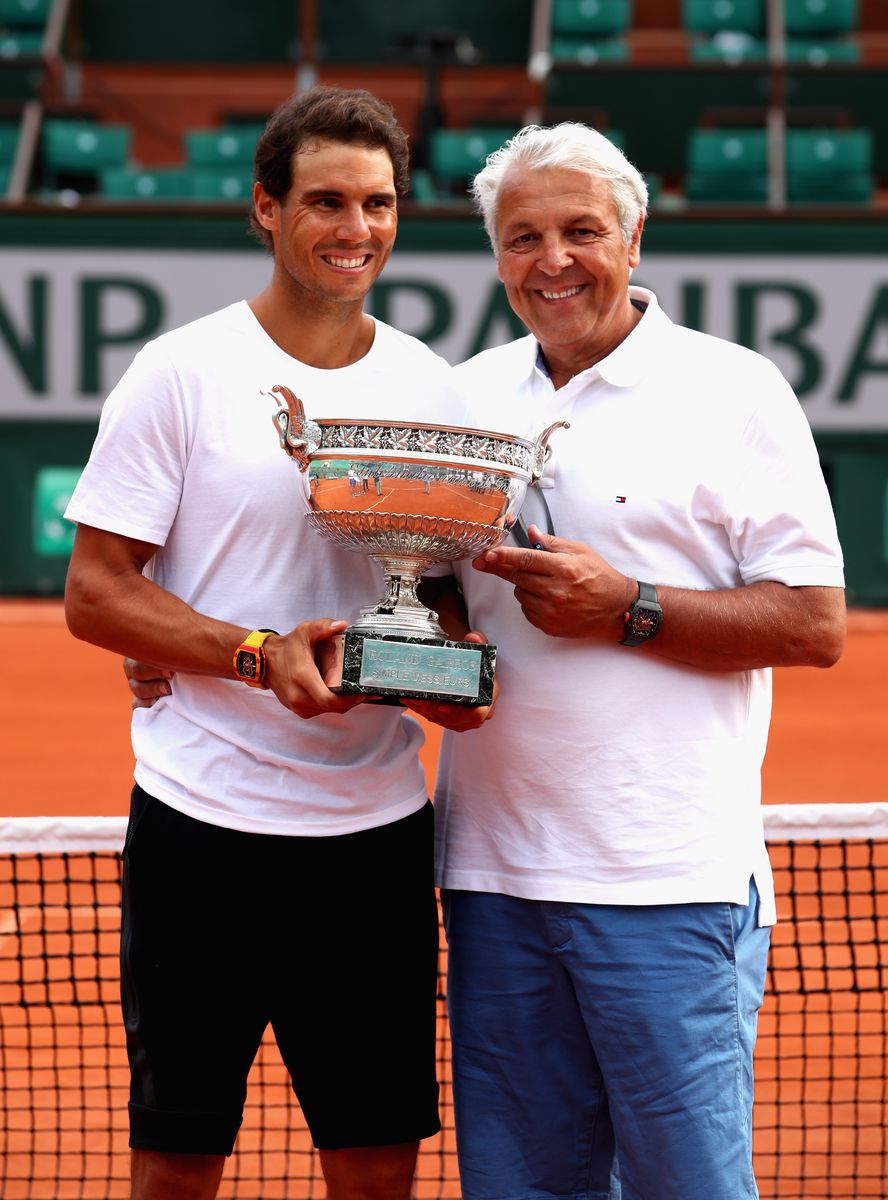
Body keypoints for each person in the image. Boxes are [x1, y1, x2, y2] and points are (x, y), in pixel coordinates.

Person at [63, 86, 479, 1200]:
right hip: (203, 829)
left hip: (375, 838)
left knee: (377, 1158)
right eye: (328, 201)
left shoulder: (431, 389)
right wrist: (253, 652)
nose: (357, 229)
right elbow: (98, 593)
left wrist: (439, 671)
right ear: (266, 209)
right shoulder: (178, 371)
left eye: (380, 203)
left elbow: (440, 598)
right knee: (179, 1159)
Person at [418, 123, 847, 1199]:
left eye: (580, 231)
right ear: (496, 254)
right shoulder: (463, 399)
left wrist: (631, 607)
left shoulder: (736, 390)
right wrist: (440, 641)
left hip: (666, 884)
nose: (551, 260)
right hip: (492, 878)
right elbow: (423, 580)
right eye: (523, 237)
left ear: (635, 236)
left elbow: (813, 624)